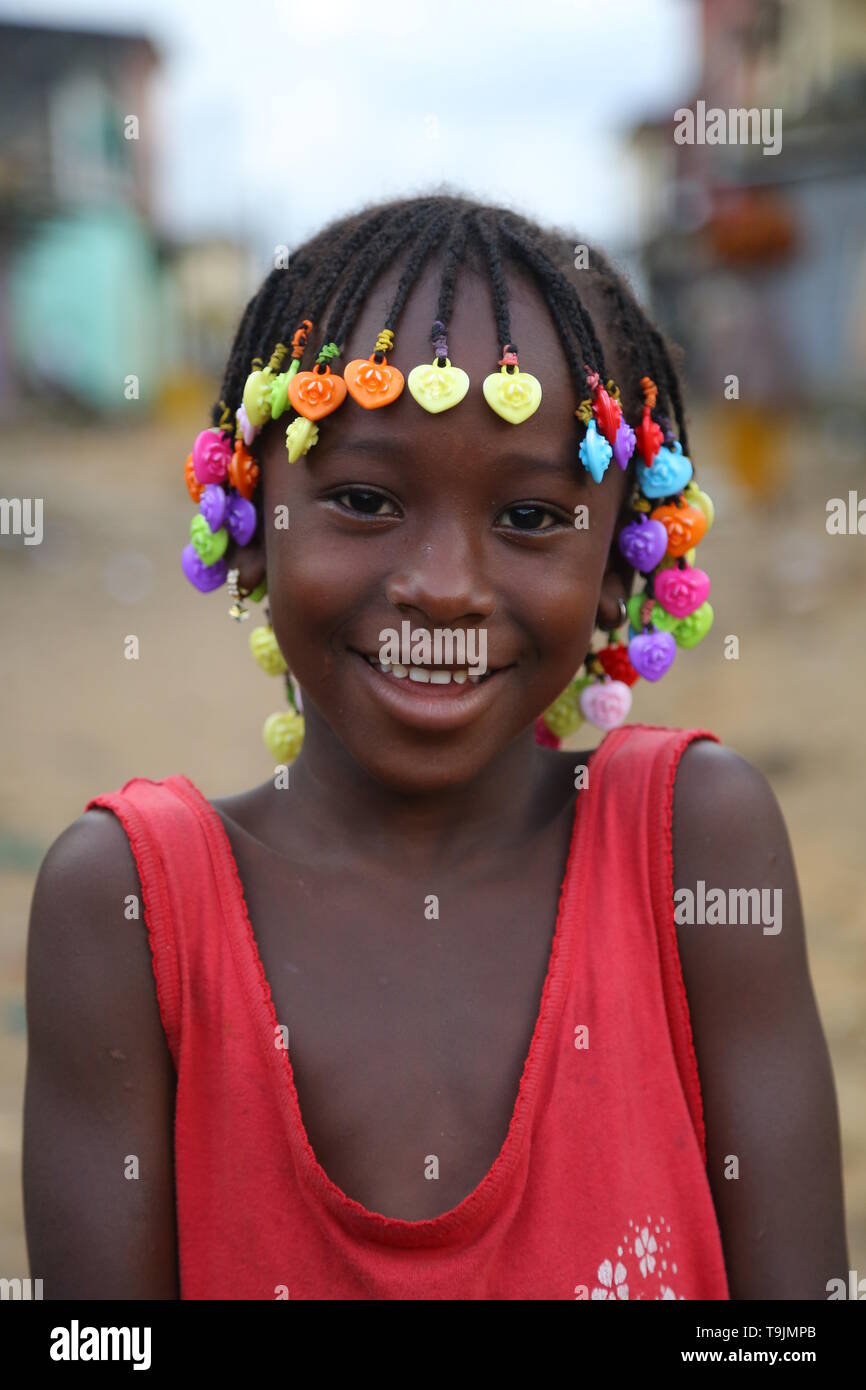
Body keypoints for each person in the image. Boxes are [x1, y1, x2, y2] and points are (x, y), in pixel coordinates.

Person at [23, 194, 848, 1299]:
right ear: (247, 517)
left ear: (620, 567)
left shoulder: (693, 844)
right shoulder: (130, 904)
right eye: (364, 498)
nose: (444, 588)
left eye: (530, 519)